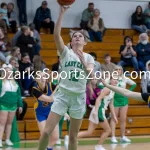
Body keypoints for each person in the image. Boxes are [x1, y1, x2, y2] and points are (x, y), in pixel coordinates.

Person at [37, 5, 95, 150]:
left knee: (73, 136)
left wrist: (82, 61)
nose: (77, 37)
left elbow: (91, 77)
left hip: (78, 97)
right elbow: (56, 35)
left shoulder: (88, 58)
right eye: (74, 36)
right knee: (46, 132)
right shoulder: (66, 53)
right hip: (62, 95)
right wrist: (62, 13)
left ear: (85, 42)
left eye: (80, 36)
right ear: (71, 42)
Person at [78, 77, 118, 150]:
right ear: (110, 80)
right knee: (108, 130)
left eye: (117, 79)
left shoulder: (113, 90)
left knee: (89, 132)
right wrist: (96, 111)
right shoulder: (107, 89)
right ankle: (98, 146)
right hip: (99, 110)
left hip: (98, 110)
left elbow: (111, 104)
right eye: (114, 79)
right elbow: (98, 99)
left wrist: (114, 116)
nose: (116, 81)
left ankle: (70, 138)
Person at [30, 71, 59, 150]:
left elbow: (59, 96)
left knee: (56, 137)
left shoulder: (51, 85)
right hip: (41, 113)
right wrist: (57, 87)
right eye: (40, 77)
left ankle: (48, 148)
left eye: (44, 76)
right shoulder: (34, 89)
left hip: (51, 112)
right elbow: (50, 99)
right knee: (44, 135)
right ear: (36, 79)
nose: (42, 78)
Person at [110, 66, 136, 143]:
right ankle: (113, 137)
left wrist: (127, 92)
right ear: (114, 70)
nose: (118, 70)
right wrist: (109, 91)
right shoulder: (111, 78)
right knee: (114, 119)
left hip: (124, 100)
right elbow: (101, 84)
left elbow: (134, 84)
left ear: (122, 70)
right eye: (116, 69)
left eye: (120, 69)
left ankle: (122, 136)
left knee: (123, 119)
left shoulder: (124, 78)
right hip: (114, 100)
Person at [0, 64, 23, 148]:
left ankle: (7, 139)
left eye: (10, 72)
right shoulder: (0, 82)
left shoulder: (15, 83)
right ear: (4, 73)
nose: (8, 73)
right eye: (6, 72)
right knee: (2, 123)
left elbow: (18, 95)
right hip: (3, 105)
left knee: (9, 123)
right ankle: (0, 140)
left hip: (13, 105)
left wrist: (20, 105)